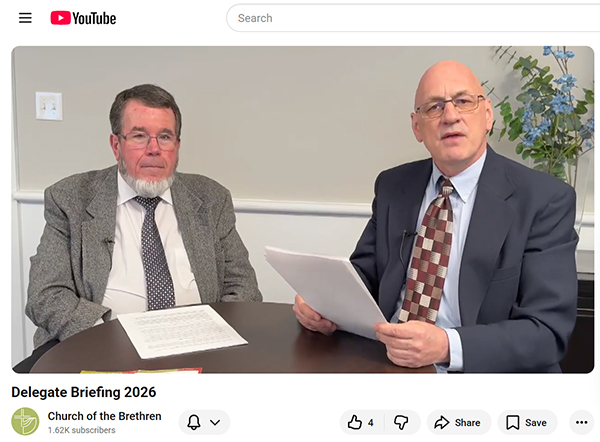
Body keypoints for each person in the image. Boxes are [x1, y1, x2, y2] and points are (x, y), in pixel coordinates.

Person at [293, 61, 578, 373]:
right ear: (417, 127)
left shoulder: (544, 199)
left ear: (488, 115)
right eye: (434, 107)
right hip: (387, 363)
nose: (450, 116)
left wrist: (445, 346)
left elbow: (547, 332)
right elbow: (365, 275)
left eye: (463, 101)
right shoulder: (393, 186)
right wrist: (323, 302)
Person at [21, 84, 262, 369]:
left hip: (198, 354)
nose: (154, 149)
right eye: (139, 136)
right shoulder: (70, 198)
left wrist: (209, 339)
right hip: (99, 351)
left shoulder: (211, 199)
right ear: (116, 145)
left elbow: (243, 288)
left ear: (177, 146)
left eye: (165, 137)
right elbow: (46, 294)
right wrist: (105, 337)